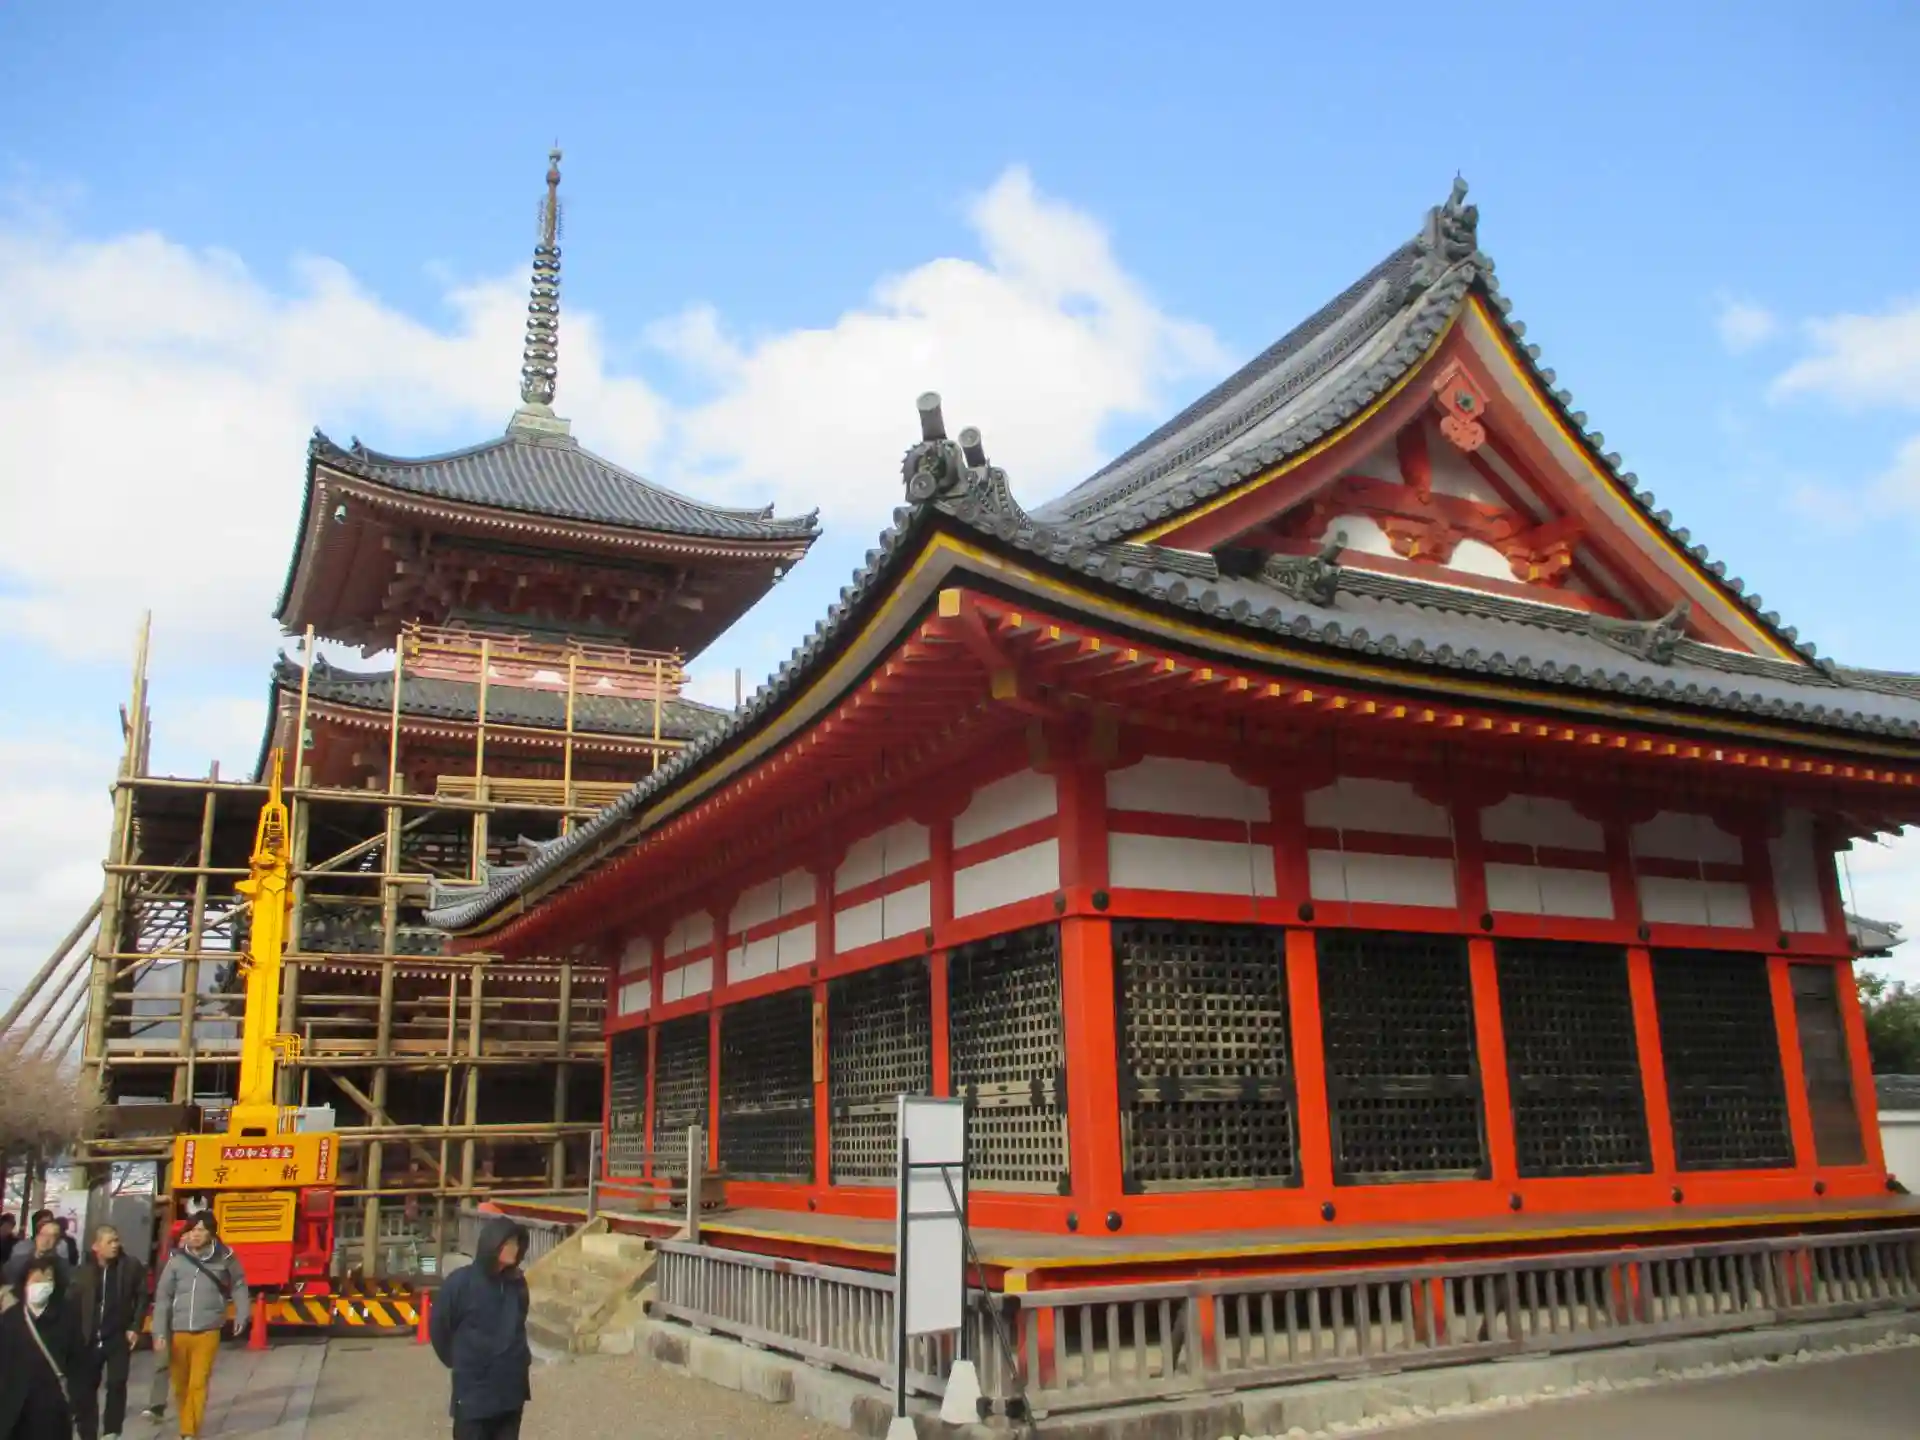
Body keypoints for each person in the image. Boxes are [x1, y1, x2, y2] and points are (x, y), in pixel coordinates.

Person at [429, 1215, 533, 1439]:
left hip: (511, 1391)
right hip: (474, 1393)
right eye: (508, 1243)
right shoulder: (460, 1283)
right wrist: (461, 1360)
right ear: (493, 1244)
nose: (514, 1248)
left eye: (517, 1242)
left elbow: (520, 1319)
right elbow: (439, 1328)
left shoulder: (517, 1283)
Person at [150, 1213, 249, 1440]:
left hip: (208, 1329)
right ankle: (188, 1423)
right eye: (193, 1230)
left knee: (198, 1382)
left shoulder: (225, 1257)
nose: (195, 1235)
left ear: (211, 1233)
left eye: (201, 1230)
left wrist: (242, 1313)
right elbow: (163, 1297)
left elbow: (239, 1283)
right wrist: (159, 1332)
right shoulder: (177, 1259)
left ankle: (188, 1432)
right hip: (178, 1330)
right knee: (180, 1384)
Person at [71, 1225, 147, 1440]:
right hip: (89, 1337)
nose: (115, 1245)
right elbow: (72, 1302)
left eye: (116, 1240)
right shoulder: (83, 1271)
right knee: (86, 1388)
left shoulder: (129, 1266)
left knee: (117, 1383)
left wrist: (135, 1327)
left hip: (117, 1334)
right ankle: (87, 1432)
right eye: (109, 1242)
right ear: (96, 1246)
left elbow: (142, 1296)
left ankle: (112, 1431)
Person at [0, 1256, 85, 1440]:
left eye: (48, 1279)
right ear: (25, 1283)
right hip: (15, 1408)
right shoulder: (11, 1318)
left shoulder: (66, 1317)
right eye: (36, 1280)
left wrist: (77, 1402)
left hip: (52, 1407)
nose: (42, 1285)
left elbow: (78, 1362)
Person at [3, 1216, 72, 1287]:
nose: (46, 1240)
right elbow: (9, 1282)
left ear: (58, 1241)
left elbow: (64, 1284)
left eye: (53, 1236)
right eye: (43, 1234)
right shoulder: (20, 1259)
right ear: (37, 1237)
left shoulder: (60, 1265)